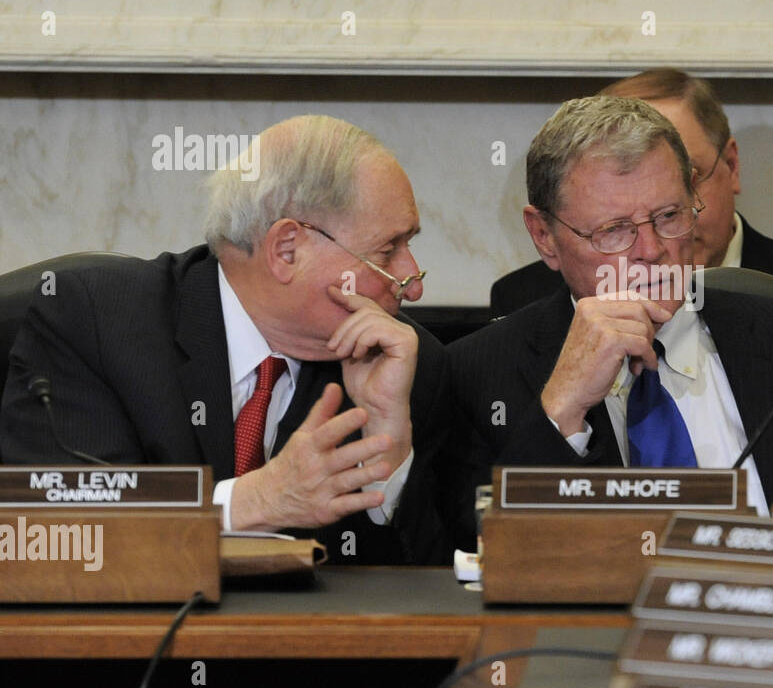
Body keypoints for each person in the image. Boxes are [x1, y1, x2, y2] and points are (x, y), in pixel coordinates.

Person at [445, 96, 773, 543]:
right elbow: (477, 560)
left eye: (669, 216)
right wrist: (561, 411)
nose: (653, 251)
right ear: (544, 235)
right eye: (615, 231)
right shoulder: (478, 375)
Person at [1, 115, 456, 564]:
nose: (411, 284)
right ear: (287, 250)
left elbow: (424, 596)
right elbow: (50, 537)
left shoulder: (405, 365)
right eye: (388, 250)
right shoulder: (97, 322)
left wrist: (386, 450)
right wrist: (251, 503)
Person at [489, 69, 773, 315]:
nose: (649, 245)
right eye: (614, 217)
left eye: (688, 177)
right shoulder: (524, 300)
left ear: (732, 166)